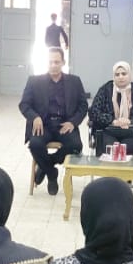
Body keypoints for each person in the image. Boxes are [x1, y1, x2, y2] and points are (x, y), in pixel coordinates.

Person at [19, 47, 88, 196]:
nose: (53, 65)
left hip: (65, 124)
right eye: (50, 62)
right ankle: (52, 174)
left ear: (63, 62)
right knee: (35, 145)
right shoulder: (34, 81)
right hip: (43, 125)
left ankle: (45, 166)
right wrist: (35, 117)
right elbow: (24, 104)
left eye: (57, 62)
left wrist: (73, 122)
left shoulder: (74, 81)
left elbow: (83, 106)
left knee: (76, 146)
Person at [88, 61, 133, 156]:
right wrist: (113, 121)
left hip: (131, 131)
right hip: (107, 130)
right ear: (113, 77)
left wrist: (130, 121)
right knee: (111, 149)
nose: (120, 77)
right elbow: (94, 111)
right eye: (117, 74)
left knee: (127, 148)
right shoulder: (105, 89)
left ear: (129, 75)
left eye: (124, 74)